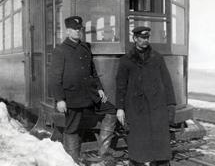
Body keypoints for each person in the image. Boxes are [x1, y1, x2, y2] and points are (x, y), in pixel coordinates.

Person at [49, 16, 116, 164]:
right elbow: (55, 78)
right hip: (72, 96)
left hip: (91, 95)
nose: (78, 32)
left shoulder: (85, 47)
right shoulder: (60, 50)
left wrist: (99, 89)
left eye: (80, 29)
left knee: (111, 111)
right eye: (75, 29)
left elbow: (92, 71)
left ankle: (102, 154)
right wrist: (60, 99)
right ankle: (72, 161)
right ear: (68, 31)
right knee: (72, 128)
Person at [116, 26, 176, 166]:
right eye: (142, 38)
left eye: (147, 37)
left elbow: (167, 82)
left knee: (160, 147)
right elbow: (120, 86)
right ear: (135, 38)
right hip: (136, 109)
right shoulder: (126, 60)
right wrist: (120, 108)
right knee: (138, 147)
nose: (145, 40)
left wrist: (171, 104)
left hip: (157, 108)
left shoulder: (157, 58)